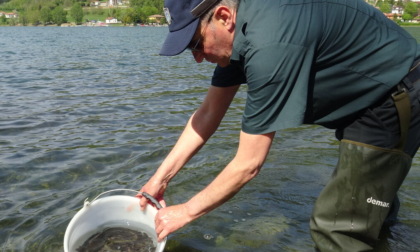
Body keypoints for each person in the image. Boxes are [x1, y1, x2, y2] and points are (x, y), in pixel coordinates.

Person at [137, 0, 420, 251]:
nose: (198, 58)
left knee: (335, 228)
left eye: (196, 44)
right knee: (368, 210)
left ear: (224, 17)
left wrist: (185, 212)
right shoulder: (240, 31)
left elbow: (248, 164)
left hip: (394, 94)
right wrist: (158, 180)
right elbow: (209, 112)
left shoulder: (269, 43)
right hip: (368, 94)